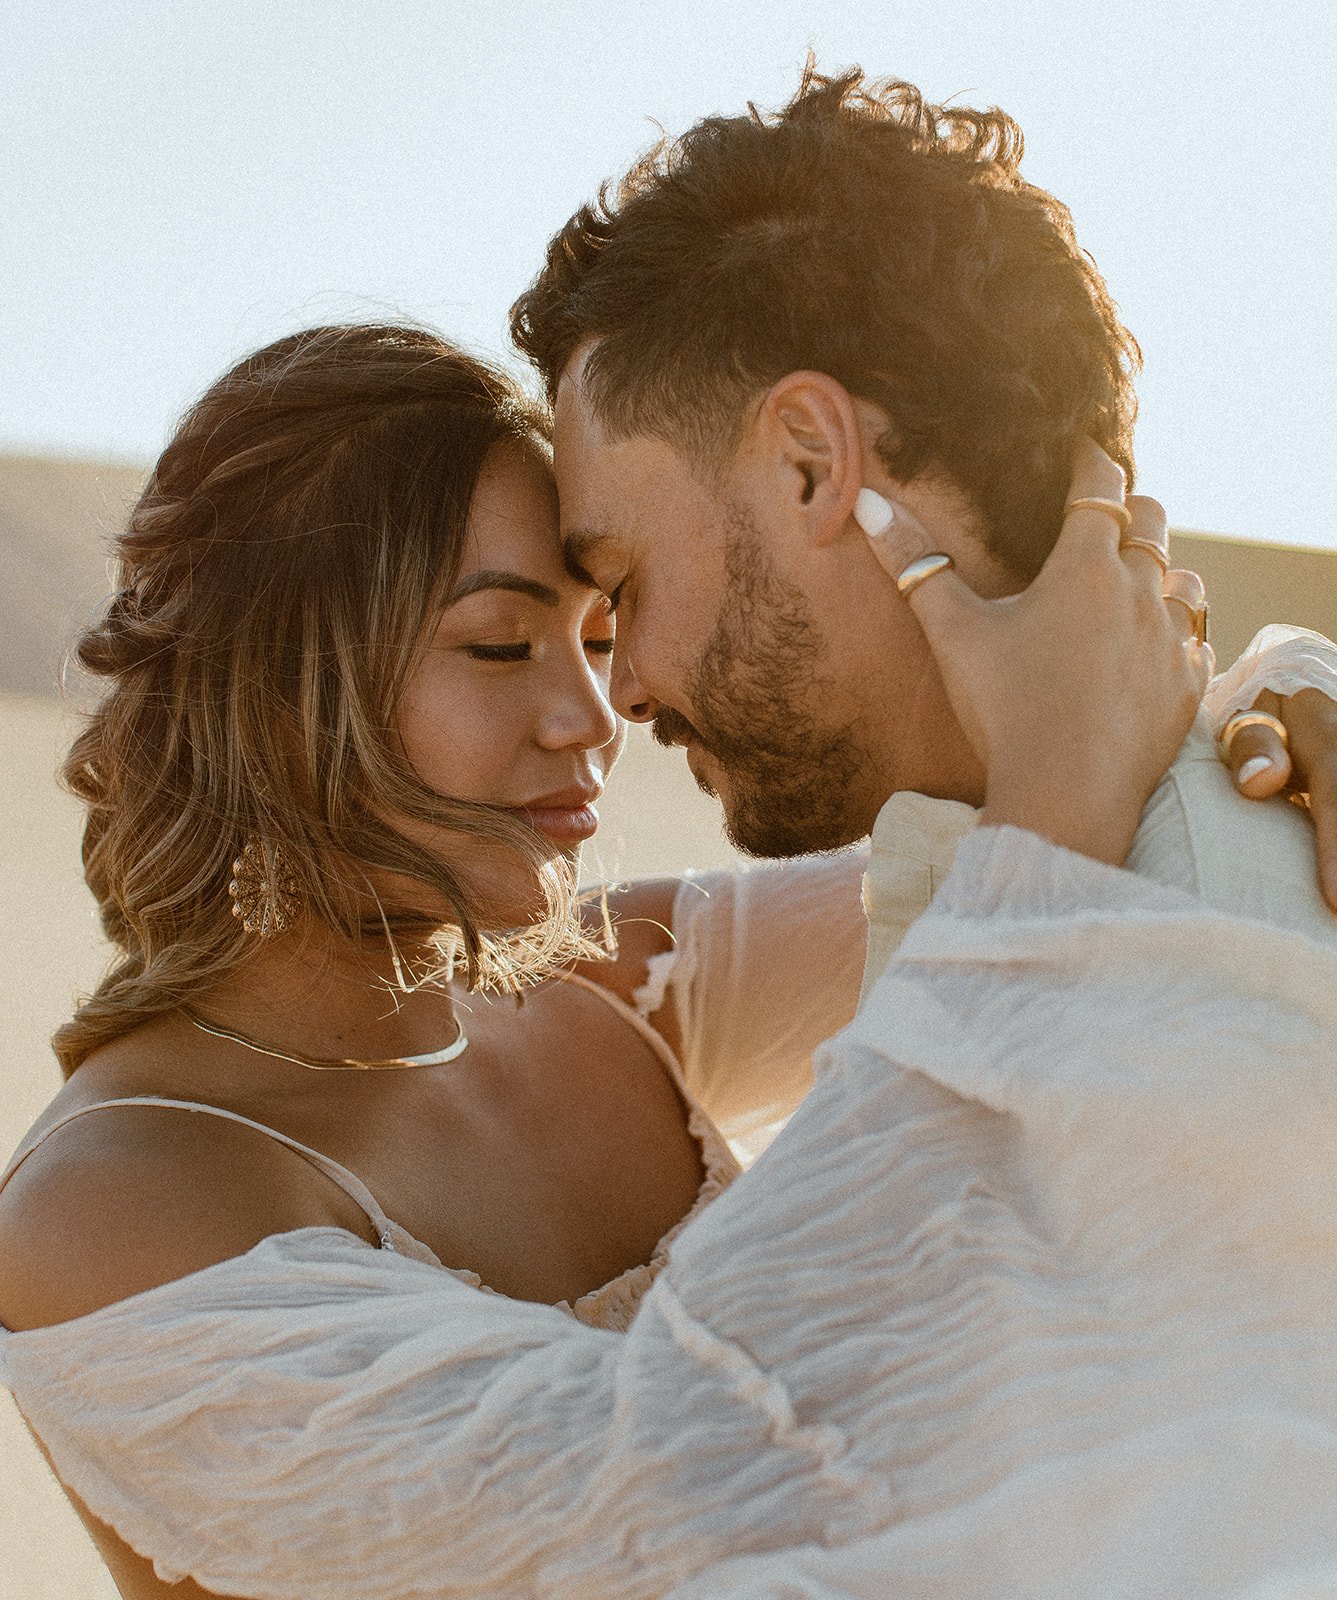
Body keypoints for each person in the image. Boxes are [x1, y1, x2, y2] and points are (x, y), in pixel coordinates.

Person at [2, 71, 1337, 1600]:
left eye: (599, 624)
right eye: (505, 649)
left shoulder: (604, 985)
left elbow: (1029, 820)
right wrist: (1049, 809)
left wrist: (1281, 682)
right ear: (280, 694)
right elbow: (673, 1493)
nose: (598, 710)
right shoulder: (116, 1211)